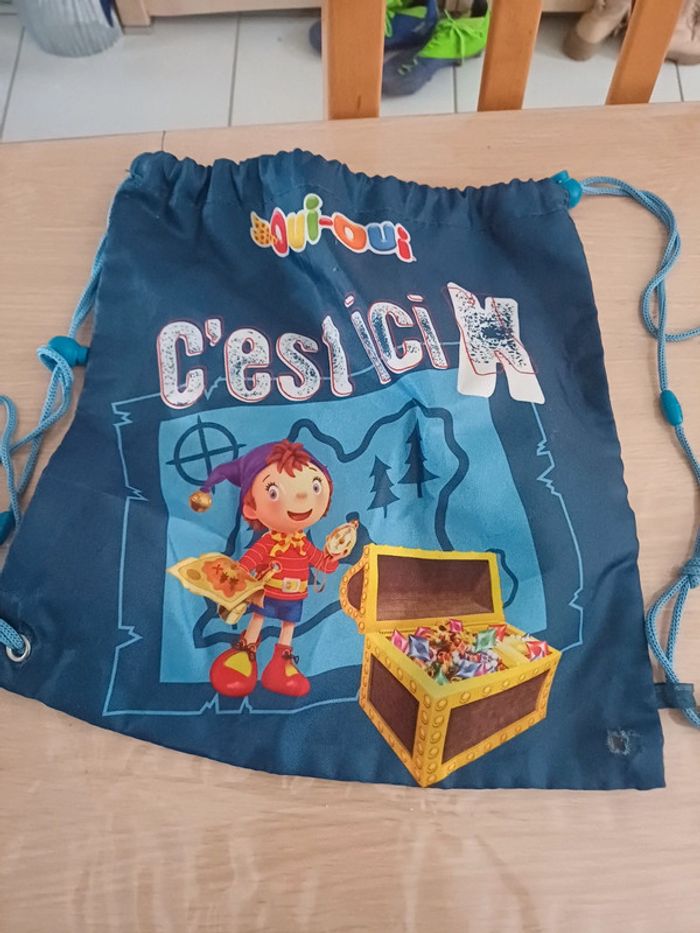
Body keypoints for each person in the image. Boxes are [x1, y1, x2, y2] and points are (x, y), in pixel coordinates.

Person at [189, 439, 349, 698]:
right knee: (258, 618)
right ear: (251, 509)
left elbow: (320, 562)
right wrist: (237, 573)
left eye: (315, 486)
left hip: (295, 595)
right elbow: (251, 559)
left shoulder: (302, 543)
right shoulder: (269, 542)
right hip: (267, 591)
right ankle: (245, 651)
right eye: (274, 492)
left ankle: (281, 664)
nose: (301, 497)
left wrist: (332, 559)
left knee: (288, 625)